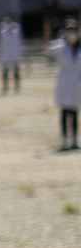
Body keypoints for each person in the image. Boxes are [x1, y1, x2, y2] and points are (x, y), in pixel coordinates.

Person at [48, 19, 81, 151]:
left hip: (76, 84)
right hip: (64, 83)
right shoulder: (60, 46)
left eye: (73, 30)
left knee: (74, 112)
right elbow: (48, 49)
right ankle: (65, 141)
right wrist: (47, 32)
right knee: (64, 112)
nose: (71, 33)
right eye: (69, 31)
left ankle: (75, 140)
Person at [0, 16, 24, 94]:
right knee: (5, 71)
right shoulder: (2, 28)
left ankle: (17, 86)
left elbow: (19, 39)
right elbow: (2, 39)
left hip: (14, 53)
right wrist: (8, 30)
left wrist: (20, 51)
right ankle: (5, 87)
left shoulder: (16, 27)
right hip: (5, 53)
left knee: (16, 71)